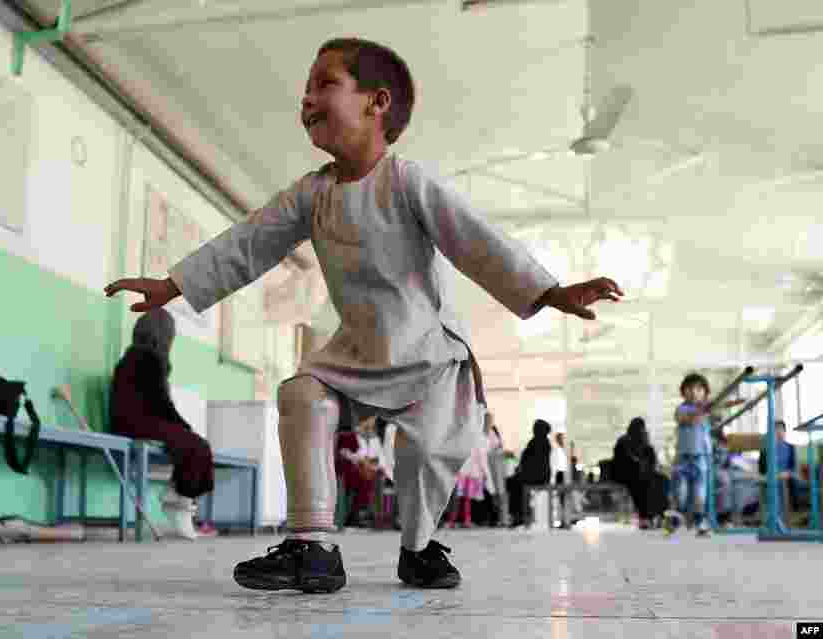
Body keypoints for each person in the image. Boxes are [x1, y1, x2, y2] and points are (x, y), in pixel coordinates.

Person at [105, 37, 622, 592]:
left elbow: (477, 242)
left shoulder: (406, 181)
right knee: (302, 394)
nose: (306, 99)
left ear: (377, 104)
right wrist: (174, 283)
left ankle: (419, 550)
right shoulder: (311, 193)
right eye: (305, 89)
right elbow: (248, 242)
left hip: (429, 356)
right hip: (357, 353)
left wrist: (548, 291)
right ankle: (313, 546)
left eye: (324, 84)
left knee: (427, 456)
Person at [109, 310, 215, 540]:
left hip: (130, 421)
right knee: (198, 445)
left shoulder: (132, 356)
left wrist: (181, 427)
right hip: (136, 423)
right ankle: (179, 498)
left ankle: (178, 496)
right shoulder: (151, 359)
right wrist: (184, 426)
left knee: (194, 444)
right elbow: (162, 404)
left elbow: (155, 403)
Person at [670, 373, 743, 535]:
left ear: (705, 392)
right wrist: (704, 410)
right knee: (680, 492)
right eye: (689, 389)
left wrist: (734, 403)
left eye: (698, 389)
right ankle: (677, 518)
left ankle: (700, 522)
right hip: (682, 458)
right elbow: (687, 418)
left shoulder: (707, 409)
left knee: (700, 494)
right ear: (683, 393)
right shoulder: (682, 409)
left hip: (701, 457)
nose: (694, 392)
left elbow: (719, 405)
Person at [612, 417, 659, 529]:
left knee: (660, 480)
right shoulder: (623, 441)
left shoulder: (644, 442)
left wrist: (646, 466)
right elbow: (620, 461)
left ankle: (654, 515)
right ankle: (646, 517)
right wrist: (638, 464)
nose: (642, 430)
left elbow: (652, 459)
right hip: (625, 474)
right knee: (641, 484)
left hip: (642, 474)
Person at [506, 420, 554, 527]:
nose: (533, 429)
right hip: (536, 475)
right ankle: (521, 513)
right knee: (514, 482)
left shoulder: (540, 442)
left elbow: (534, 463)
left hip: (537, 476)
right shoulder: (540, 441)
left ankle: (519, 515)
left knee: (514, 483)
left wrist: (521, 470)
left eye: (535, 427)